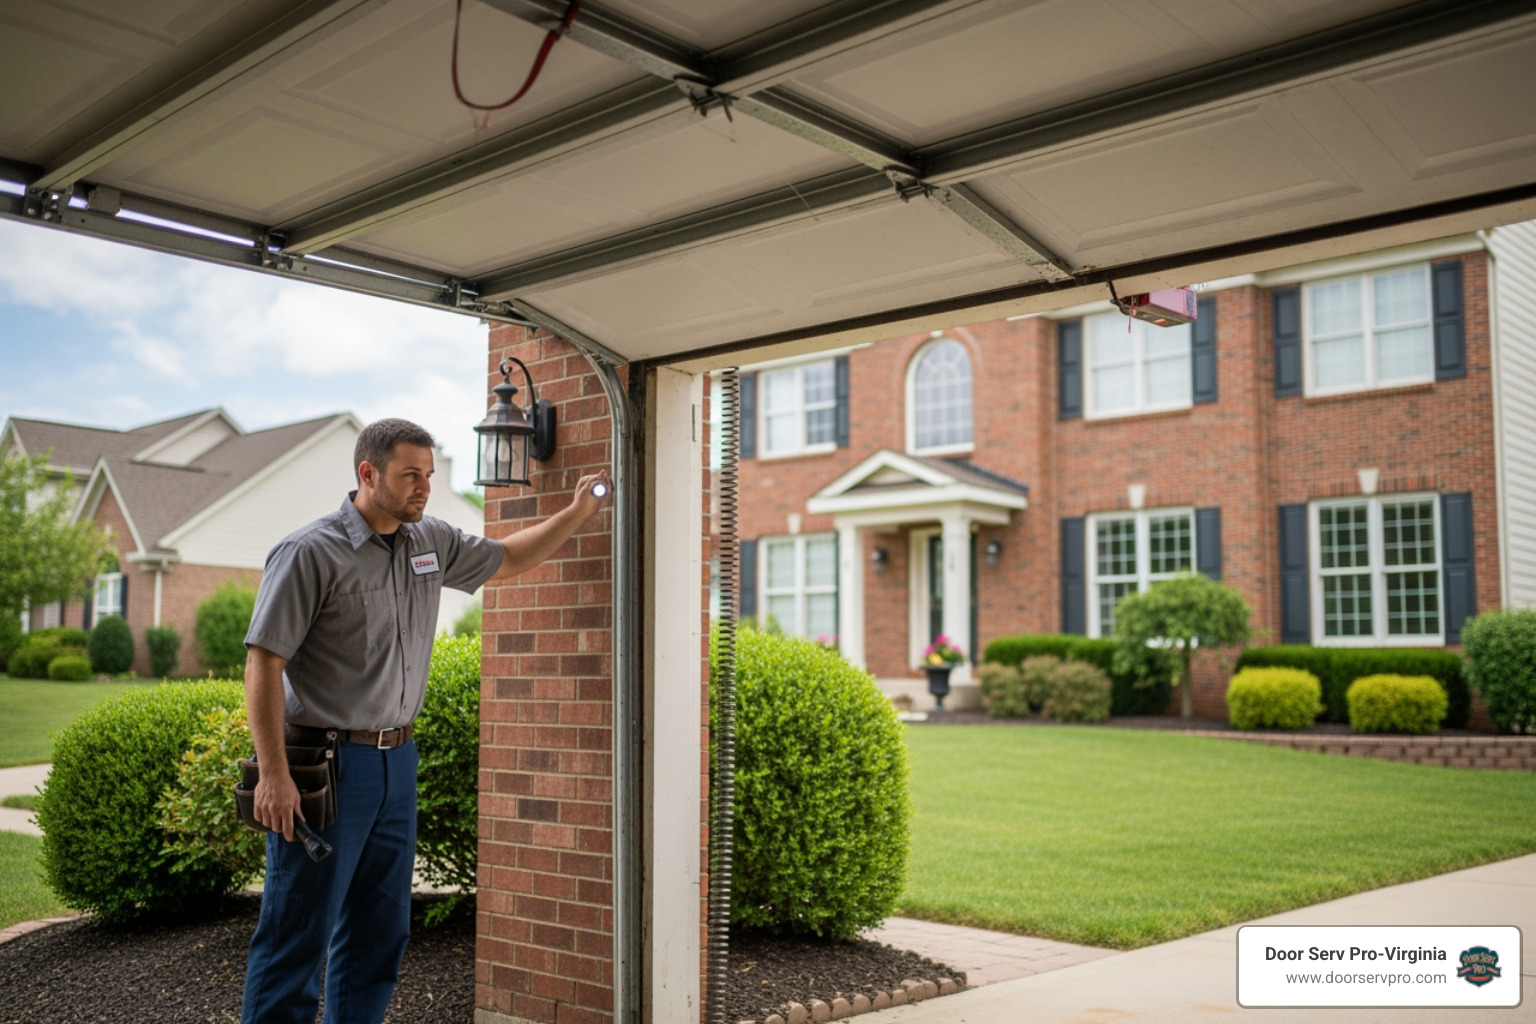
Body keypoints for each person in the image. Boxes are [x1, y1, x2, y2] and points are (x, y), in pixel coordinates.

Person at [240, 417, 608, 1024]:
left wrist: (576, 512)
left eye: (430, 475)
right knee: (297, 932)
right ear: (368, 473)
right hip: (324, 768)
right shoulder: (310, 551)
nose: (424, 488)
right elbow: (263, 662)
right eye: (411, 474)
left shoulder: (430, 542)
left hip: (396, 763)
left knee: (380, 932)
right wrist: (273, 776)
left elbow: (508, 559)